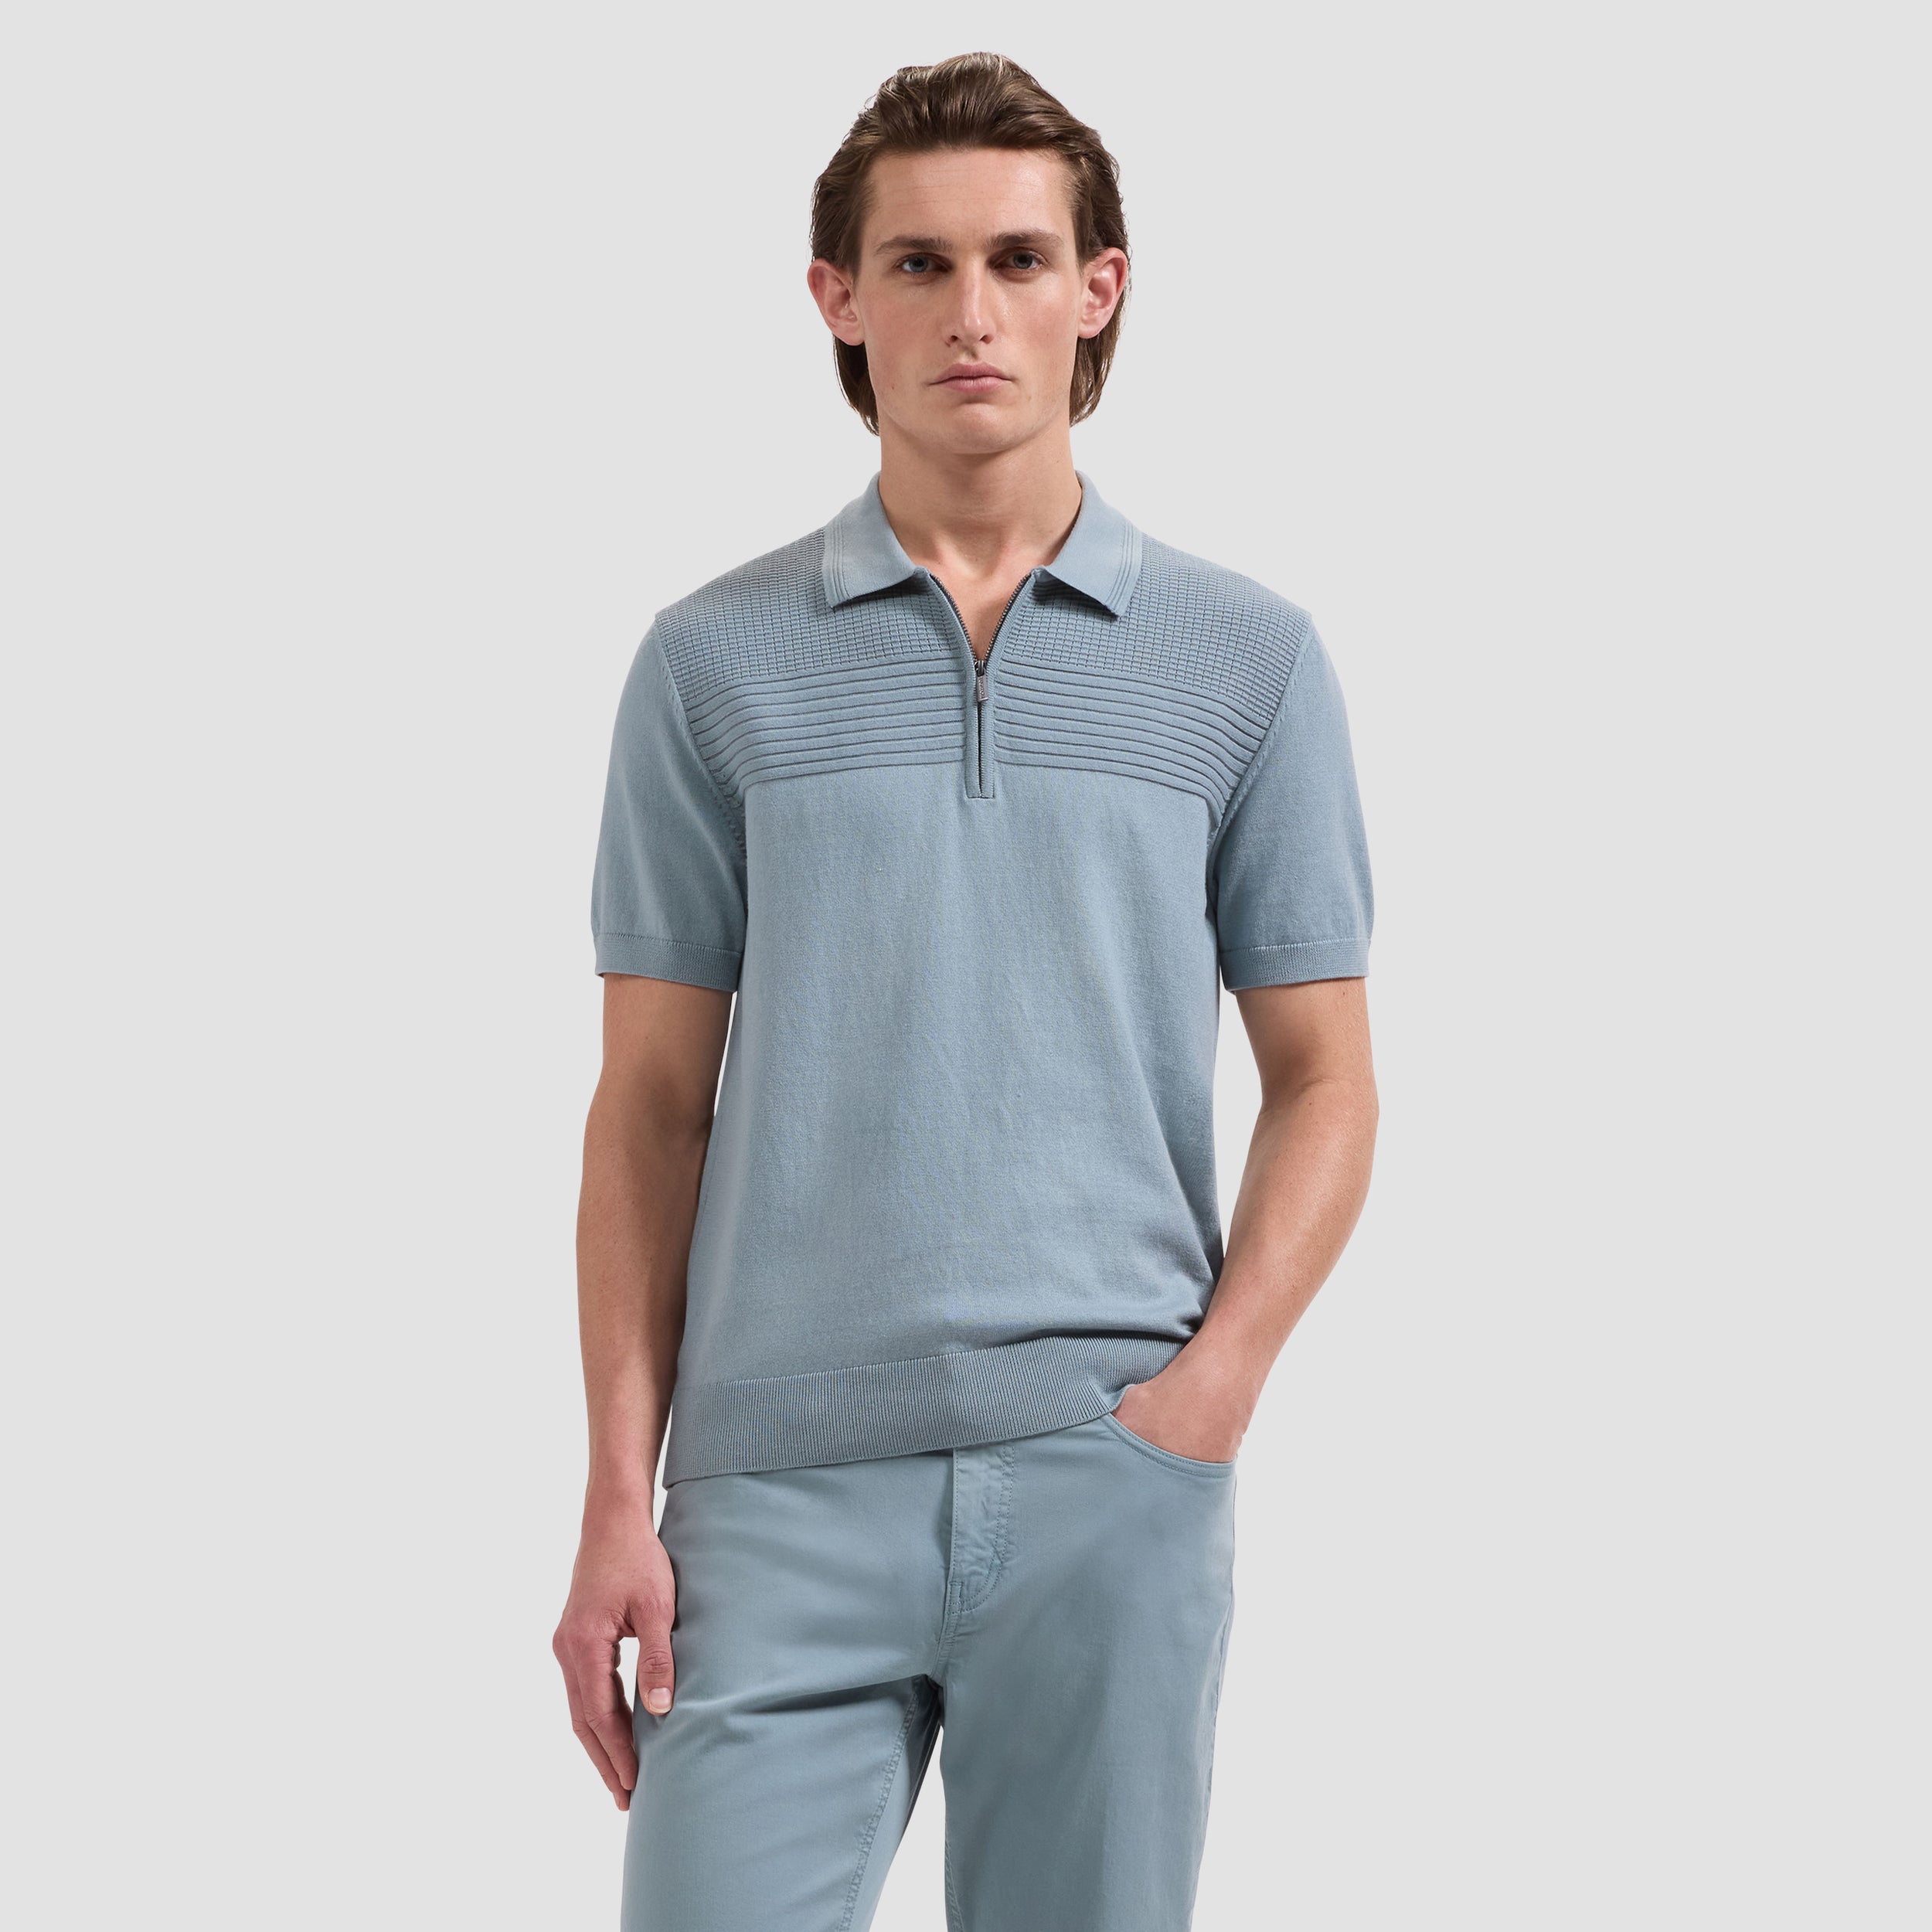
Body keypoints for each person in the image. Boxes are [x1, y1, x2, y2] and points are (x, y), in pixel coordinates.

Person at [553, 49, 1378, 1932]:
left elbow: (1326, 1076)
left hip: (1109, 1472)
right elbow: (648, 1107)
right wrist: (615, 1492)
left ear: (1097, 288)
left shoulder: (1247, 661)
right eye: (915, 264)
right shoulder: (708, 664)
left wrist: (1206, 1393)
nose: (969, 311)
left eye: (1016, 258)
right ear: (837, 300)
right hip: (767, 1498)